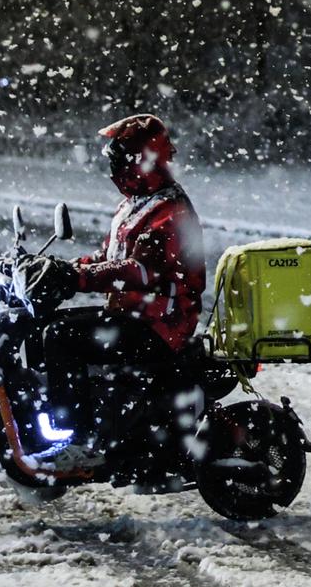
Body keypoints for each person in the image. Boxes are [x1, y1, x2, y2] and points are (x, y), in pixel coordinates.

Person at [38, 114, 206, 470]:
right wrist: (62, 266)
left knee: (61, 336)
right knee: (44, 326)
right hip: (135, 314)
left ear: (140, 159)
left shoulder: (168, 210)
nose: (112, 164)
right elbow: (110, 259)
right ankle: (64, 420)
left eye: (119, 156)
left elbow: (140, 270)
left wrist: (77, 278)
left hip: (161, 324)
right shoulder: (137, 203)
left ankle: (79, 441)